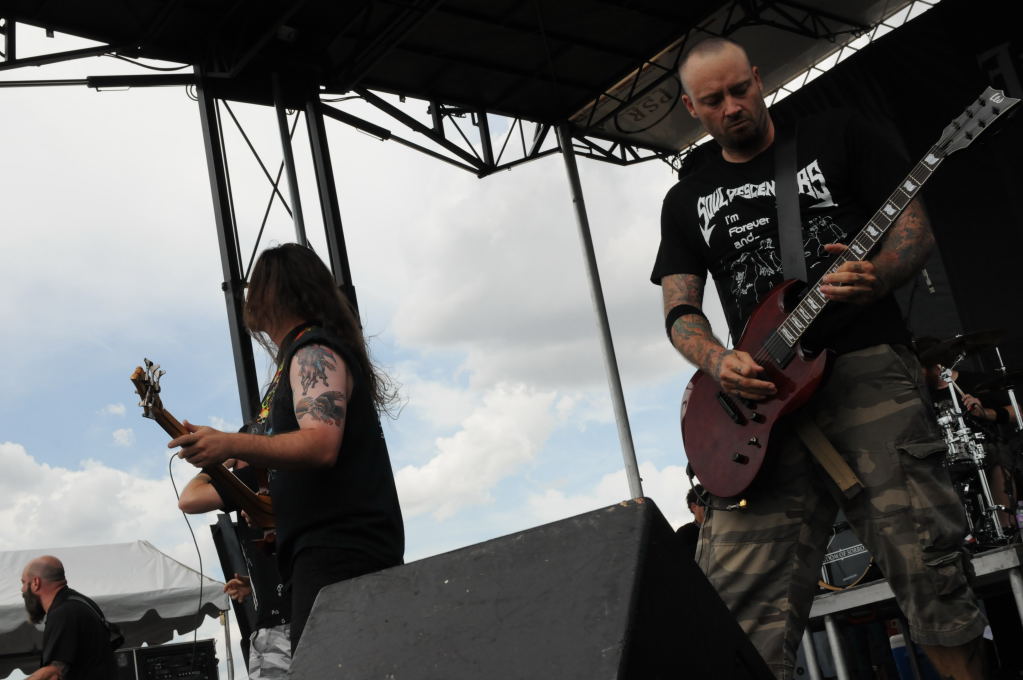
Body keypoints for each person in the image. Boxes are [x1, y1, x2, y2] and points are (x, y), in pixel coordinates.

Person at [650, 38, 987, 679]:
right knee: (731, 610)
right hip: (762, 409)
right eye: (714, 100)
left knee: (929, 570)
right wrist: (718, 362)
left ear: (757, 79)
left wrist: (878, 275)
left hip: (864, 373)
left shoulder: (840, 134)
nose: (733, 107)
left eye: (740, 89)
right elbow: (679, 308)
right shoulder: (686, 199)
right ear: (692, 108)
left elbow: (912, 229)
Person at [169, 243, 405, 653]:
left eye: (255, 286)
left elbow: (320, 443)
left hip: (341, 553)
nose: (247, 299)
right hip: (320, 554)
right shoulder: (300, 356)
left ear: (274, 292)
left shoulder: (313, 352)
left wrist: (229, 441)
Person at [178, 463, 292, 678]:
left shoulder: (255, 475)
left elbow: (189, 499)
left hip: (282, 625)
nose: (233, 471)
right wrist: (255, 583)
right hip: (280, 620)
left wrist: (216, 464)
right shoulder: (283, 477)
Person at [20, 555, 117, 680]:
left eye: (23, 582)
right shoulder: (82, 603)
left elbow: (54, 673)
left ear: (35, 583)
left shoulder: (63, 613)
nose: (22, 589)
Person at [676, 484, 707, 560]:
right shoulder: (684, 533)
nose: (711, 506)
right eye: (705, 502)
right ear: (693, 507)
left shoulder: (723, 526)